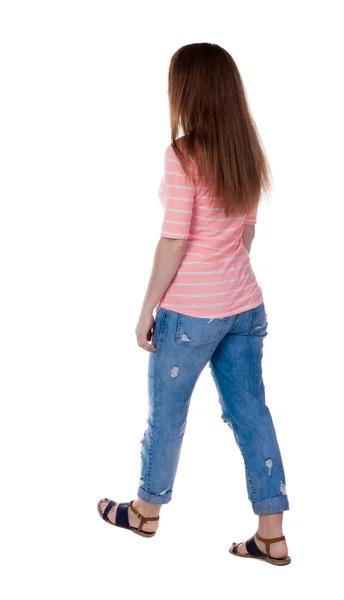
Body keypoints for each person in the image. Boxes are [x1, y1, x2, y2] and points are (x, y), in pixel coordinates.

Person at [98, 42, 291, 566]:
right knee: (252, 412)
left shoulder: (183, 153)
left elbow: (175, 240)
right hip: (245, 304)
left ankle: (145, 511)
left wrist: (147, 311)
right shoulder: (244, 150)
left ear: (188, 91)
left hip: (190, 315)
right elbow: (246, 232)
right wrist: (225, 279)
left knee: (167, 415)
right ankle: (271, 533)